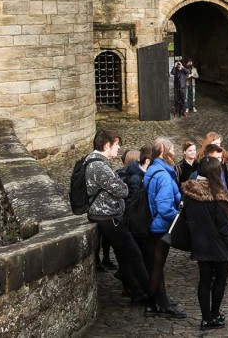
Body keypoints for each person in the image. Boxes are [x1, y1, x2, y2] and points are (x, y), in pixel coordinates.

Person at [84, 129, 151, 306]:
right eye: (116, 144)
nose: (119, 148)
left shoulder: (94, 161)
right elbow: (123, 190)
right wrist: (120, 185)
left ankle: (137, 293)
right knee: (134, 254)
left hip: (105, 215)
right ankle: (152, 296)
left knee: (123, 256)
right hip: (108, 217)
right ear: (107, 145)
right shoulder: (99, 165)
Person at [182, 156, 228, 331]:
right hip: (218, 246)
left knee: (204, 281)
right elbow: (224, 226)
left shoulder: (190, 193)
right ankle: (214, 313)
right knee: (220, 280)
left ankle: (206, 318)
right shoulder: (218, 196)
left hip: (200, 243)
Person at [143, 138, 187, 318]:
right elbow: (164, 208)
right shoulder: (163, 175)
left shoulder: (153, 169)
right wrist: (178, 216)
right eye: (172, 149)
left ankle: (160, 301)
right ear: (163, 152)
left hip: (152, 224)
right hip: (160, 227)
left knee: (156, 267)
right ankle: (155, 305)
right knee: (157, 268)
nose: (175, 153)